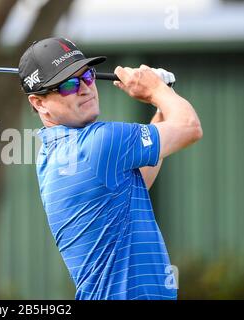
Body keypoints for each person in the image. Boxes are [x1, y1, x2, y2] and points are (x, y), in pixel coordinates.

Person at [18, 37, 203, 300]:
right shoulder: (100, 142)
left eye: (88, 76)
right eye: (68, 85)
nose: (85, 88)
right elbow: (190, 128)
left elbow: (131, 187)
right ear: (39, 103)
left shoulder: (52, 154)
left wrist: (162, 97)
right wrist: (156, 91)